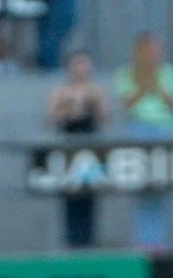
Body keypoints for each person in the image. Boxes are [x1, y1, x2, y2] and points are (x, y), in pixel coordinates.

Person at [113, 33, 173, 250]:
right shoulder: (126, 73)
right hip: (139, 128)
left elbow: (172, 102)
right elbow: (127, 103)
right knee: (141, 187)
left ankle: (159, 242)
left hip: (163, 129)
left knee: (160, 186)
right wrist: (144, 84)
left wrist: (156, 83)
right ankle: (141, 241)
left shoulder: (169, 73)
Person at [47, 51, 113, 250]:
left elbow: (104, 118)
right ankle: (71, 242)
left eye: (84, 64)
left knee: (90, 196)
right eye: (77, 64)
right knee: (70, 197)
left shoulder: (96, 91)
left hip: (91, 148)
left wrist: (89, 102)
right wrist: (71, 105)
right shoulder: (60, 91)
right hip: (69, 148)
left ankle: (89, 241)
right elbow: (52, 117)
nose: (81, 69)